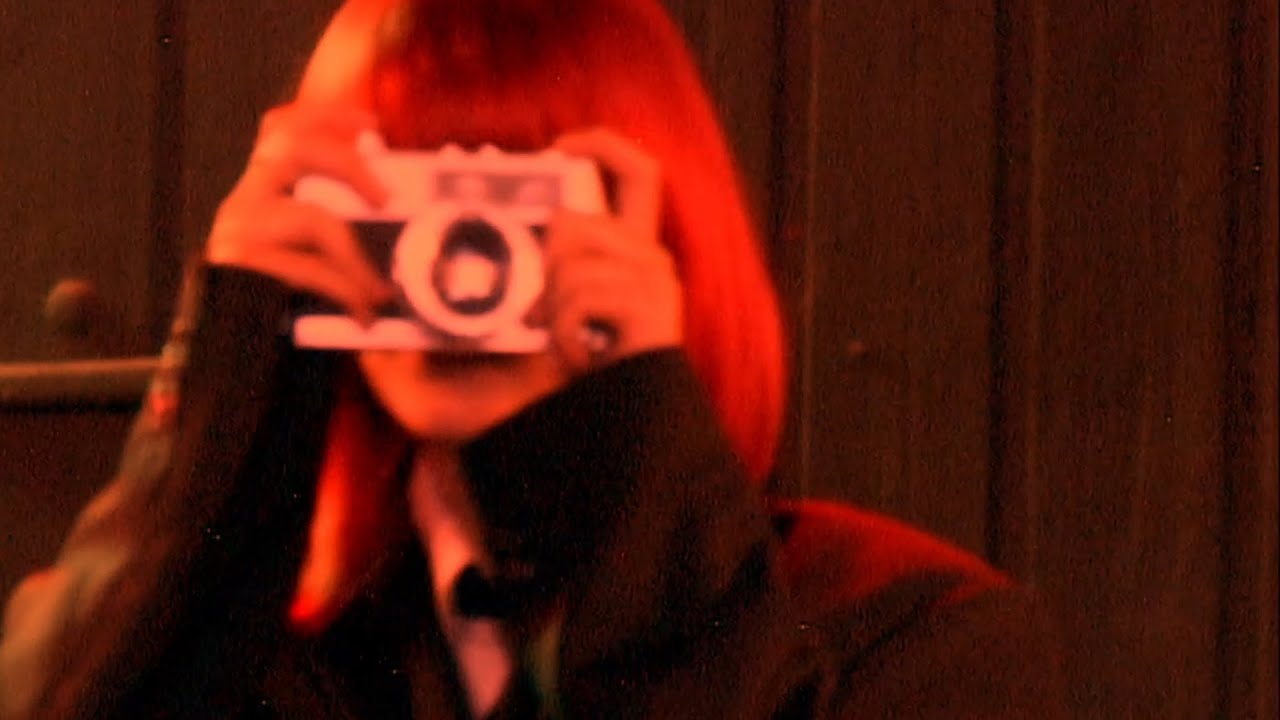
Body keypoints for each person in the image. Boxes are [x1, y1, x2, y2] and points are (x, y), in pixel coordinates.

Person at [0, 0, 1067, 717]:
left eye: (511, 202)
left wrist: (631, 452)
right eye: (408, 198)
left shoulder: (911, 637)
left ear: (651, 234)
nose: (457, 262)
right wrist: (226, 385)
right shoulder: (259, 653)